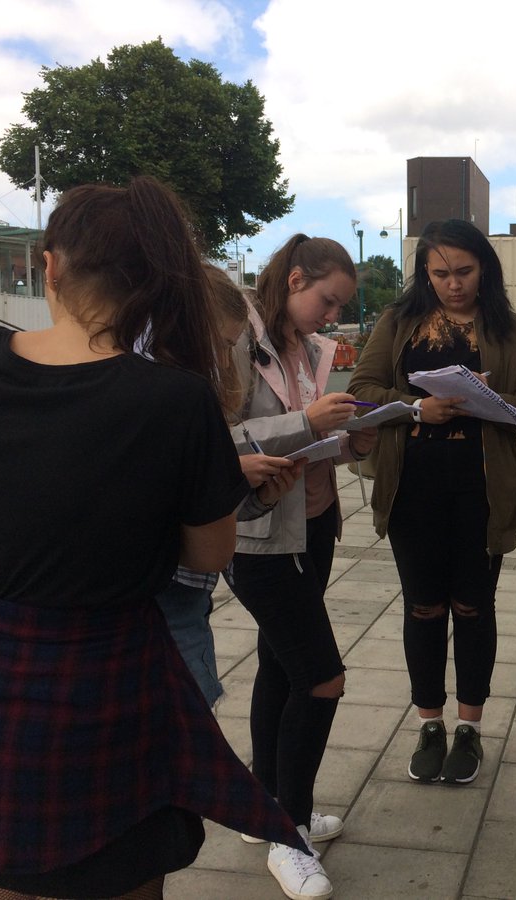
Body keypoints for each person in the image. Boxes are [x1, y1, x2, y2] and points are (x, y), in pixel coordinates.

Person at [0, 176, 302, 900]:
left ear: (49, 266)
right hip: (105, 692)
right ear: (156, 283)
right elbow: (209, 554)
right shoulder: (177, 400)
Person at [348, 219, 516, 786]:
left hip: (481, 493)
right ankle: (429, 723)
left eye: (464, 271)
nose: (453, 284)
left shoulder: (507, 329)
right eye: (440, 273)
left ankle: (469, 728)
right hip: (412, 490)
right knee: (423, 608)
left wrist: (483, 399)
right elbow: (361, 390)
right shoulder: (399, 321)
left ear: (485, 269)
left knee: (474, 607)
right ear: (424, 273)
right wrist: (417, 407)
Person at [227, 234, 378, 900]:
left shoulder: (310, 348)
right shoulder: (237, 339)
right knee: (322, 679)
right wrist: (307, 422)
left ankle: (268, 807)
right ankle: (289, 834)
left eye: (340, 307)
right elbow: (217, 439)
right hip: (258, 538)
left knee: (278, 665)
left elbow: (309, 440)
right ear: (294, 280)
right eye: (327, 301)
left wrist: (351, 441)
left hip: (313, 526)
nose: (332, 317)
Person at [155, 265, 301, 707]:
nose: (223, 361)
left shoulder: (194, 392)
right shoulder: (156, 396)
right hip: (163, 591)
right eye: (220, 344)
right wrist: (230, 473)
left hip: (192, 594)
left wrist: (259, 496)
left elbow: (210, 504)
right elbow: (161, 502)